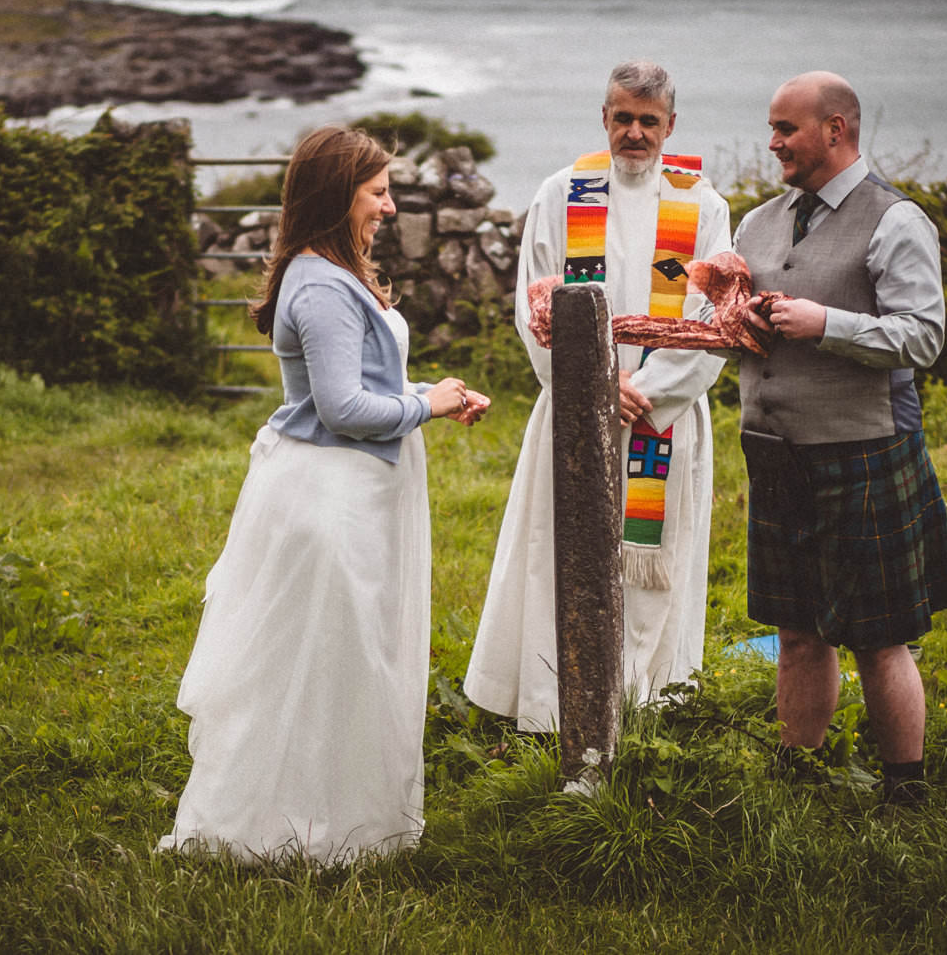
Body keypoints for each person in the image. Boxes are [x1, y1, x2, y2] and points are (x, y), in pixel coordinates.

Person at [159, 125, 488, 862]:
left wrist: (426, 390)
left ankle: (330, 819)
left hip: (346, 489)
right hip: (330, 497)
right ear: (340, 197)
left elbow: (358, 386)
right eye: (378, 192)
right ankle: (296, 833)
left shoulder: (328, 275)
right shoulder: (322, 285)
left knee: (339, 659)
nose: (391, 206)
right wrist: (424, 407)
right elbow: (342, 409)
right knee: (325, 663)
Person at [464, 60, 732, 732]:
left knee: (651, 568)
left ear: (672, 124)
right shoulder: (562, 193)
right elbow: (536, 304)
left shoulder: (704, 205)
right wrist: (594, 384)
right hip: (576, 414)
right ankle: (551, 706)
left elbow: (713, 319)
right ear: (604, 118)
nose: (635, 132)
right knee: (561, 557)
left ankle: (645, 701)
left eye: (649, 120)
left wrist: (646, 390)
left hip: (662, 419)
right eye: (623, 118)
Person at [735, 71, 947, 805]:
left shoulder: (896, 221)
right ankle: (798, 774)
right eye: (771, 128)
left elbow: (923, 336)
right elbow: (739, 329)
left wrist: (825, 323)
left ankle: (906, 787)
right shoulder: (755, 224)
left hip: (863, 448)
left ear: (837, 130)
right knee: (797, 629)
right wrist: (723, 331)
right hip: (775, 452)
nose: (772, 143)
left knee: (878, 634)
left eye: (786, 129)